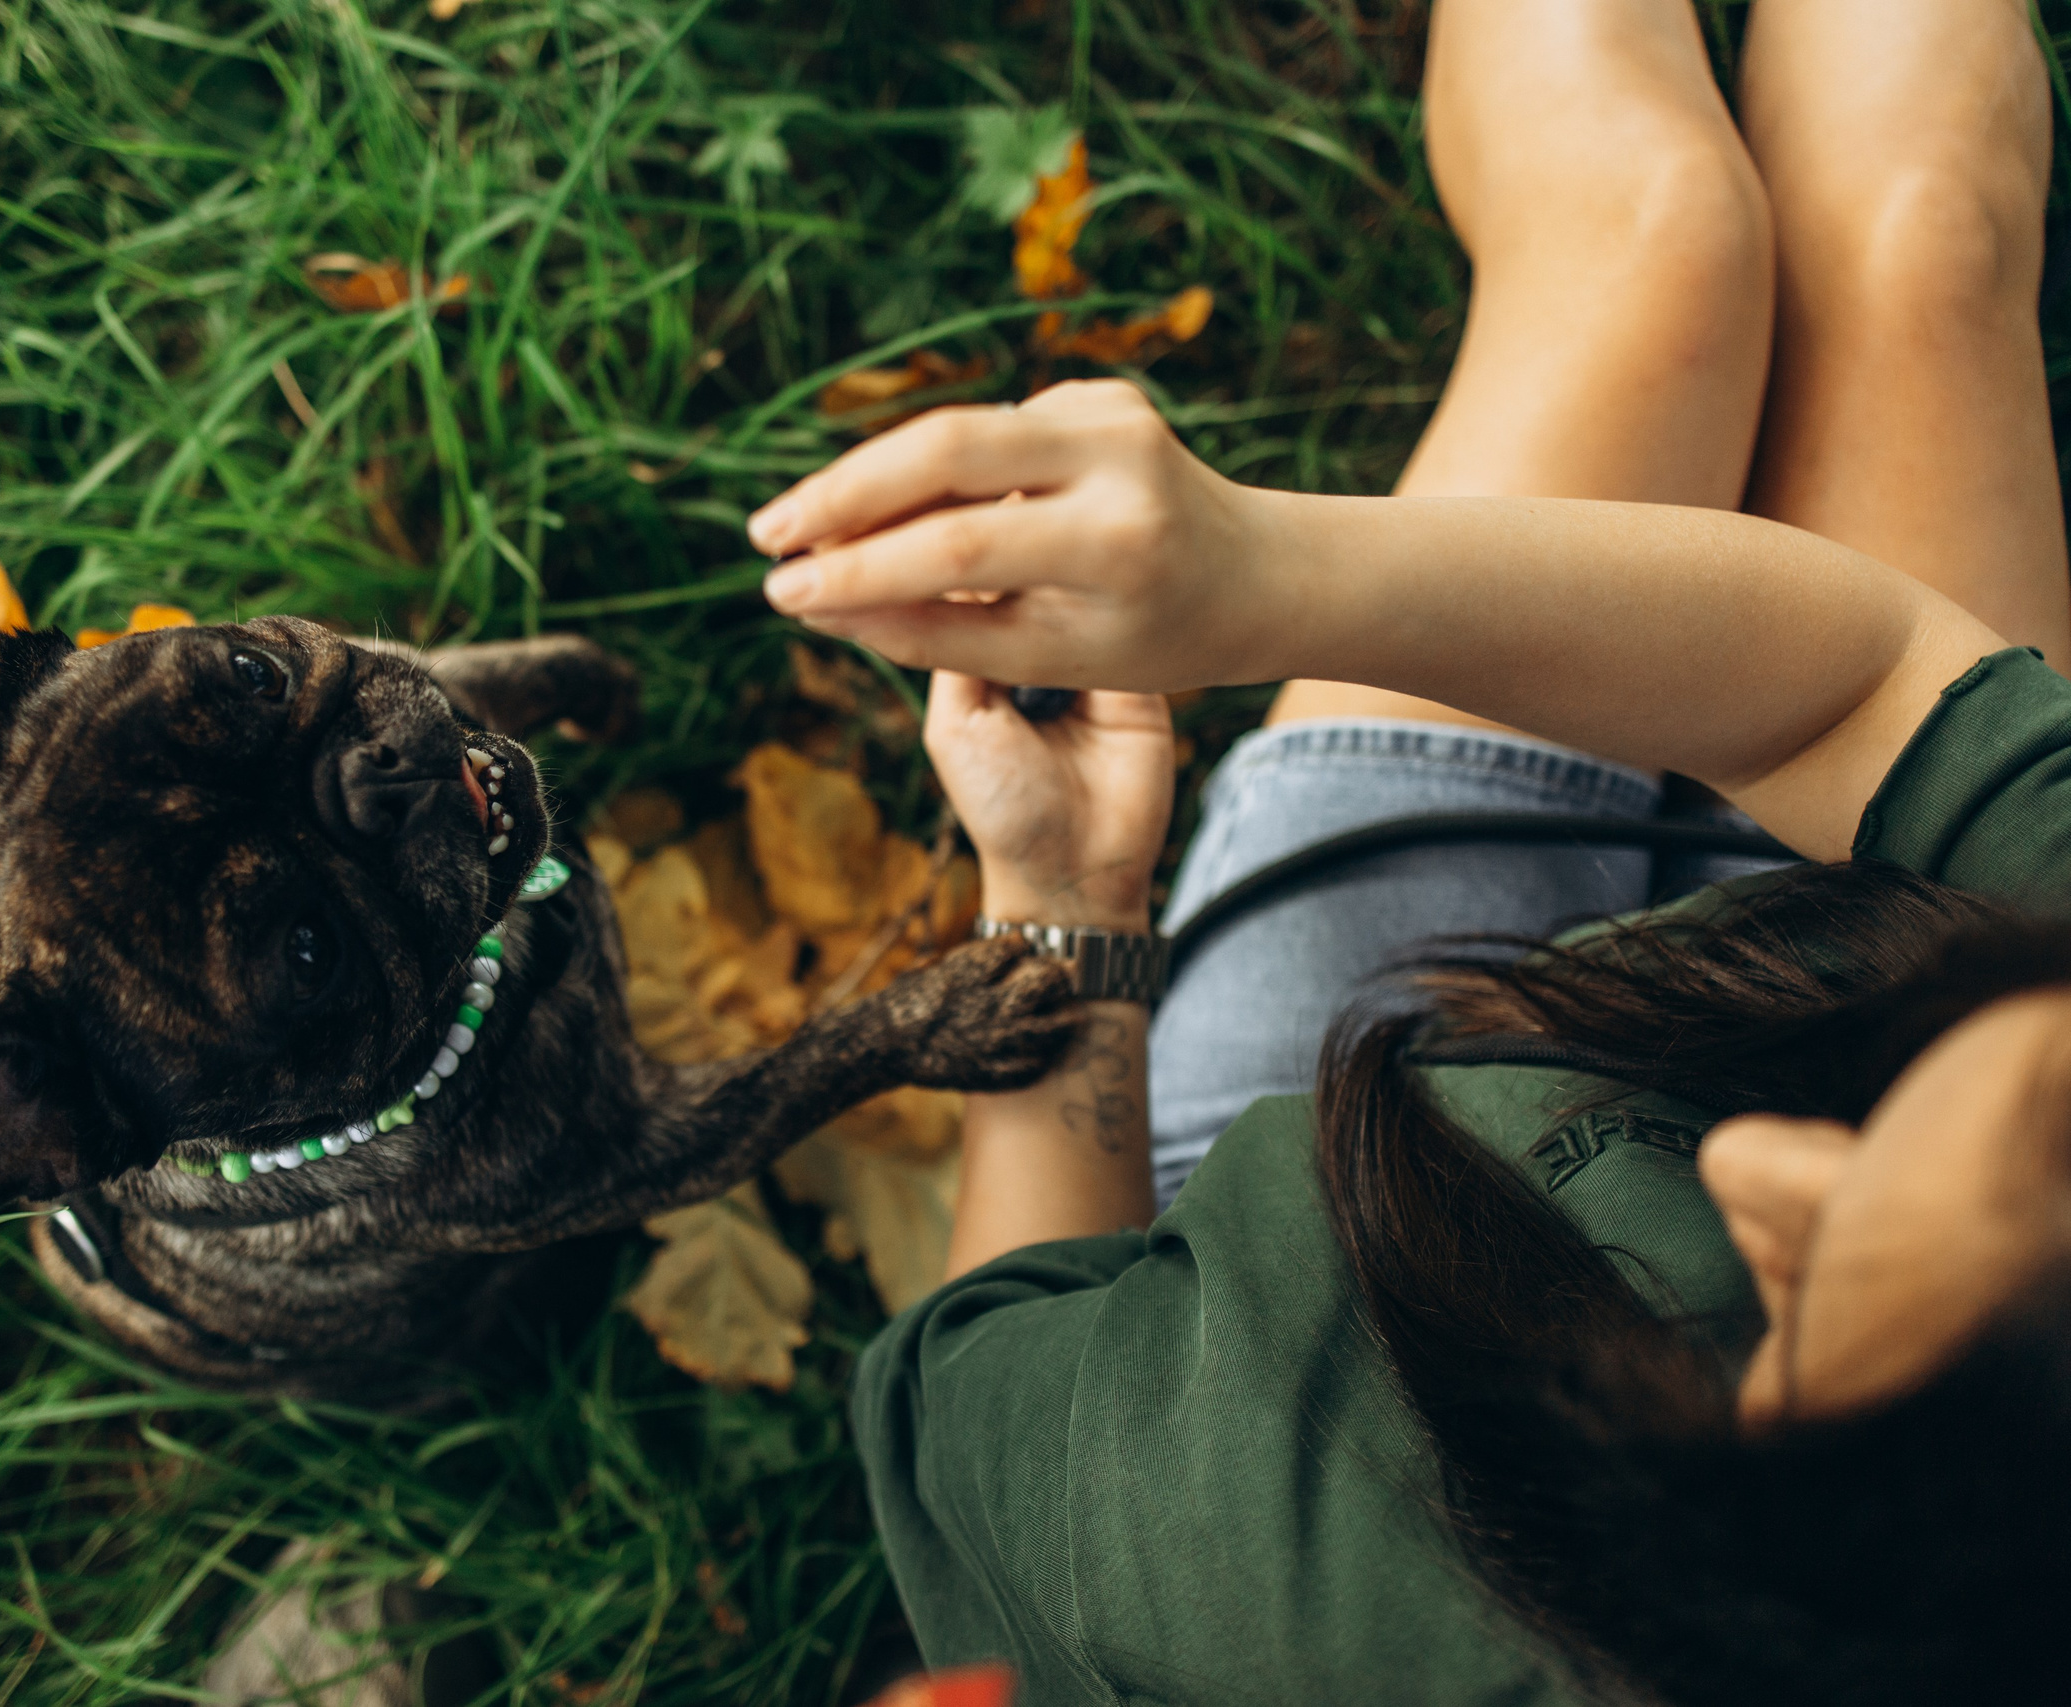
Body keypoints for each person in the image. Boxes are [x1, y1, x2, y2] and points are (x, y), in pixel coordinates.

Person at [745, 2, 2071, 1701]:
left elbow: (1008, 1357)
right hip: (1870, 928)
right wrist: (1262, 576)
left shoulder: (1272, 1571)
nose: (1751, 1168)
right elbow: (1877, 689)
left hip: (1333, 1198)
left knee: (1643, 231)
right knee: (1917, 235)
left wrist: (1071, 919)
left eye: (1815, 1316)